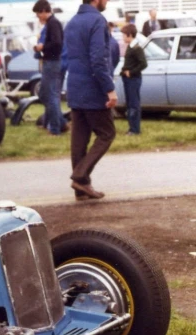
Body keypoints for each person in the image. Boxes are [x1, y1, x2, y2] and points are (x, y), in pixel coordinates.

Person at [64, 0, 117, 201]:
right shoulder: (97, 21)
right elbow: (98, 60)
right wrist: (109, 89)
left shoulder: (72, 22)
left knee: (79, 138)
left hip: (75, 87)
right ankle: (80, 175)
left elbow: (66, 57)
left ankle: (81, 188)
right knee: (107, 133)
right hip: (93, 89)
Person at [33, 0, 66, 136]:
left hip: (52, 62)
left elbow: (57, 43)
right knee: (45, 94)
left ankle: (55, 128)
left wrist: (43, 47)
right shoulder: (52, 23)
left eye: (37, 14)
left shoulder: (53, 23)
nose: (37, 17)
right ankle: (59, 122)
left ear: (43, 11)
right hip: (50, 61)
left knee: (50, 95)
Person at [120, 23, 147, 136]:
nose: (122, 38)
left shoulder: (137, 48)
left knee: (134, 104)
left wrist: (131, 72)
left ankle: (135, 129)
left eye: (123, 35)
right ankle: (131, 127)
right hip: (127, 79)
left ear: (129, 35)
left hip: (133, 79)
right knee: (130, 103)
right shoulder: (130, 47)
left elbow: (143, 64)